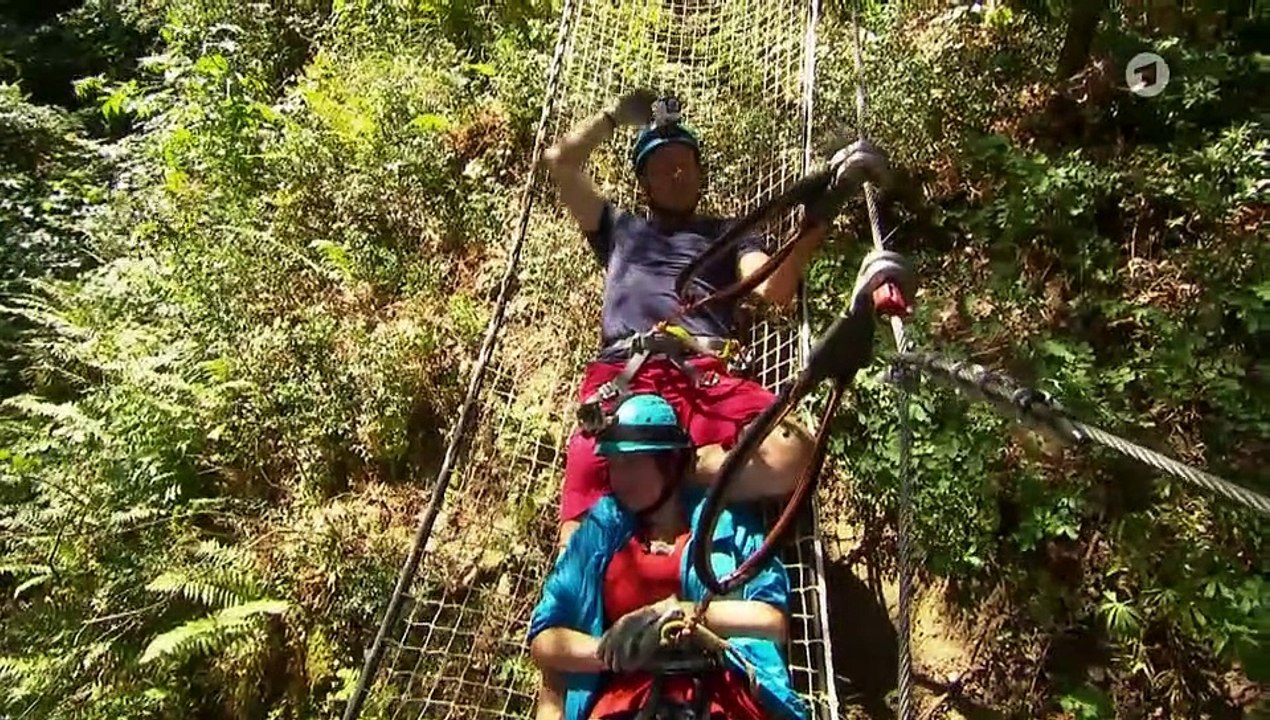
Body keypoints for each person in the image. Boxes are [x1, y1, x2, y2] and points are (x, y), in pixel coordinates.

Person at [542, 89, 884, 552]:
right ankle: (656, 499)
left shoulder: (731, 234)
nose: (675, 173)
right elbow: (560, 162)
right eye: (661, 167)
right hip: (627, 376)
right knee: (577, 536)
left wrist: (816, 223)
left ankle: (664, 473)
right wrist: (613, 117)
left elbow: (771, 290)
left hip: (704, 379)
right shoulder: (620, 230)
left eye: (684, 163)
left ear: (701, 173)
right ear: (644, 183)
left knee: (792, 452)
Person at [528, 393, 808, 720]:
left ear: (671, 461)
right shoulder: (601, 530)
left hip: (722, 691)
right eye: (613, 465)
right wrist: (616, 651)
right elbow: (544, 640)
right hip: (626, 703)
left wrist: (687, 614)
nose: (619, 478)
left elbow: (772, 621)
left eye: (631, 463)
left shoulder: (725, 523)